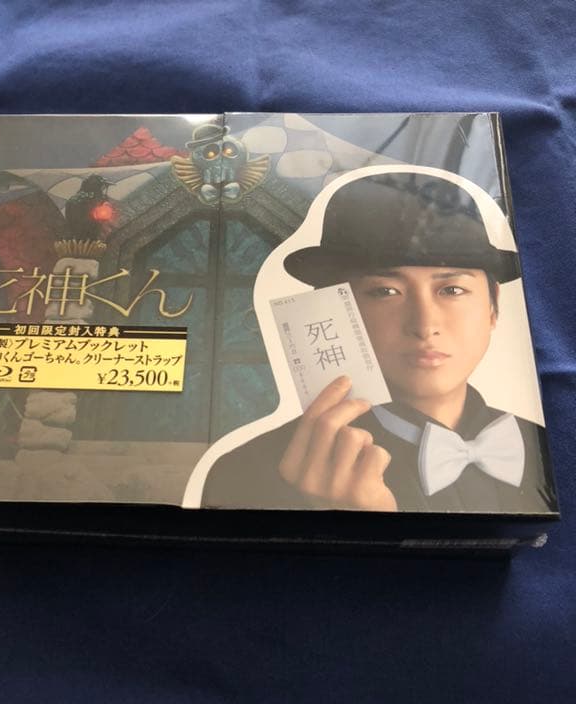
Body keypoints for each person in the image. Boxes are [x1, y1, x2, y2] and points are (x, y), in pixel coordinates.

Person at [201, 172, 557, 513]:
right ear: (335, 307)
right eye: (385, 291)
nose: (425, 325)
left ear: (493, 306)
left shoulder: (550, 449)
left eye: (452, 290)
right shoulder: (246, 469)